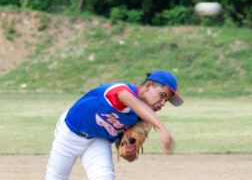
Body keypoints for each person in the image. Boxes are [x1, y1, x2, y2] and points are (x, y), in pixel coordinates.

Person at [45, 70, 184, 180]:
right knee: (57, 177)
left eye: (166, 101)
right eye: (162, 95)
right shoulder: (123, 90)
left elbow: (122, 147)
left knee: (104, 177)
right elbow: (132, 102)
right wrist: (163, 129)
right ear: (148, 86)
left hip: (98, 140)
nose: (162, 103)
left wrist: (128, 150)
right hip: (70, 133)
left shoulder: (142, 119)